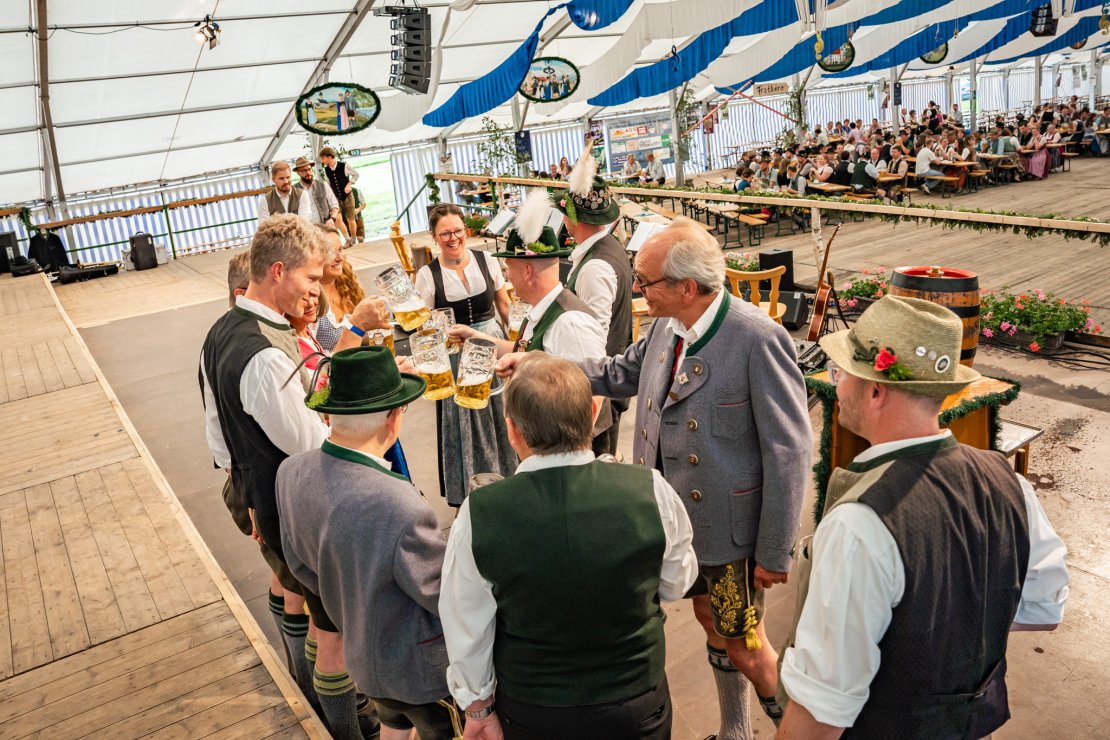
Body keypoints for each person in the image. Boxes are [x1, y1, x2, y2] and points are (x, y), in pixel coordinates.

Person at [500, 219, 812, 737]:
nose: (638, 290)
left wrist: (775, 550)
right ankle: (737, 731)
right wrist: (538, 363)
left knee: (747, 644)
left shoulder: (757, 338)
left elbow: (790, 450)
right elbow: (617, 372)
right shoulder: (667, 327)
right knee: (710, 622)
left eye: (645, 282)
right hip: (670, 519)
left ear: (687, 287)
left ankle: (799, 731)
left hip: (729, 535)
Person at [777, 296, 1069, 738]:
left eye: (841, 373)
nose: (837, 387)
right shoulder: (1010, 482)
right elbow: (1045, 606)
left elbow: (821, 711)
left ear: (876, 390)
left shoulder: (859, 523)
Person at [440, 353, 699, 740]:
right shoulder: (650, 489)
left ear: (512, 430)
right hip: (634, 703)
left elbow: (466, 625)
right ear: (593, 413)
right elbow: (677, 583)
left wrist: (478, 707)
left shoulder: (480, 514)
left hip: (534, 710)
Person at [200, 214, 390, 737]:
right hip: (297, 507)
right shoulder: (265, 356)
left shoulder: (222, 331)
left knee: (309, 611)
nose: (316, 287)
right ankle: (347, 727)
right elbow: (315, 444)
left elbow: (217, 431)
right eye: (310, 277)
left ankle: (314, 697)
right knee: (332, 631)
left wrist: (244, 490)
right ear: (278, 271)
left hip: (266, 498)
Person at [276, 346, 464, 740]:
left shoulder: (290, 472)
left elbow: (300, 567)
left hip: (361, 656)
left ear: (330, 415)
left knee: (393, 726)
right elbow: (448, 597)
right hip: (420, 673)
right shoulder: (398, 505)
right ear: (393, 418)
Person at [452, 205, 612, 447]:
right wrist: (477, 337)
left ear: (527, 271)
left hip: (569, 451)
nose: (508, 276)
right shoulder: (544, 309)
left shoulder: (570, 323)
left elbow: (593, 393)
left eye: (509, 268)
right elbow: (524, 351)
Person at [415, 204, 516, 506]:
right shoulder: (428, 274)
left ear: (465, 231)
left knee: (502, 413)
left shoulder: (486, 260)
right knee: (469, 422)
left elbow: (504, 305)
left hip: (492, 345)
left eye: (457, 231)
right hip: (457, 356)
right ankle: (475, 493)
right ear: (434, 237)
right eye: (445, 233)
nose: (453, 238)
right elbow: (422, 327)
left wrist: (518, 344)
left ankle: (512, 480)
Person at [556, 157, 634, 455]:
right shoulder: (607, 249)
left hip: (600, 391)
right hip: (606, 381)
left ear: (572, 218)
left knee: (598, 463)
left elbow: (594, 338)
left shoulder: (594, 267)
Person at [293, 156, 344, 233]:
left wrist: (332, 219)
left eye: (309, 169)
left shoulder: (323, 185)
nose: (308, 173)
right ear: (298, 173)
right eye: (304, 171)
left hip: (326, 227)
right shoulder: (294, 191)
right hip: (307, 231)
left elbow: (334, 205)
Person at [319, 146, 360, 241]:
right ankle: (347, 239)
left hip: (348, 197)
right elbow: (329, 185)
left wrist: (349, 185)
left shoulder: (344, 165)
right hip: (336, 198)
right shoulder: (326, 170)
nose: (322, 160)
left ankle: (353, 239)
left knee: (351, 220)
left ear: (329, 157)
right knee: (337, 219)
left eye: (323, 158)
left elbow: (356, 174)